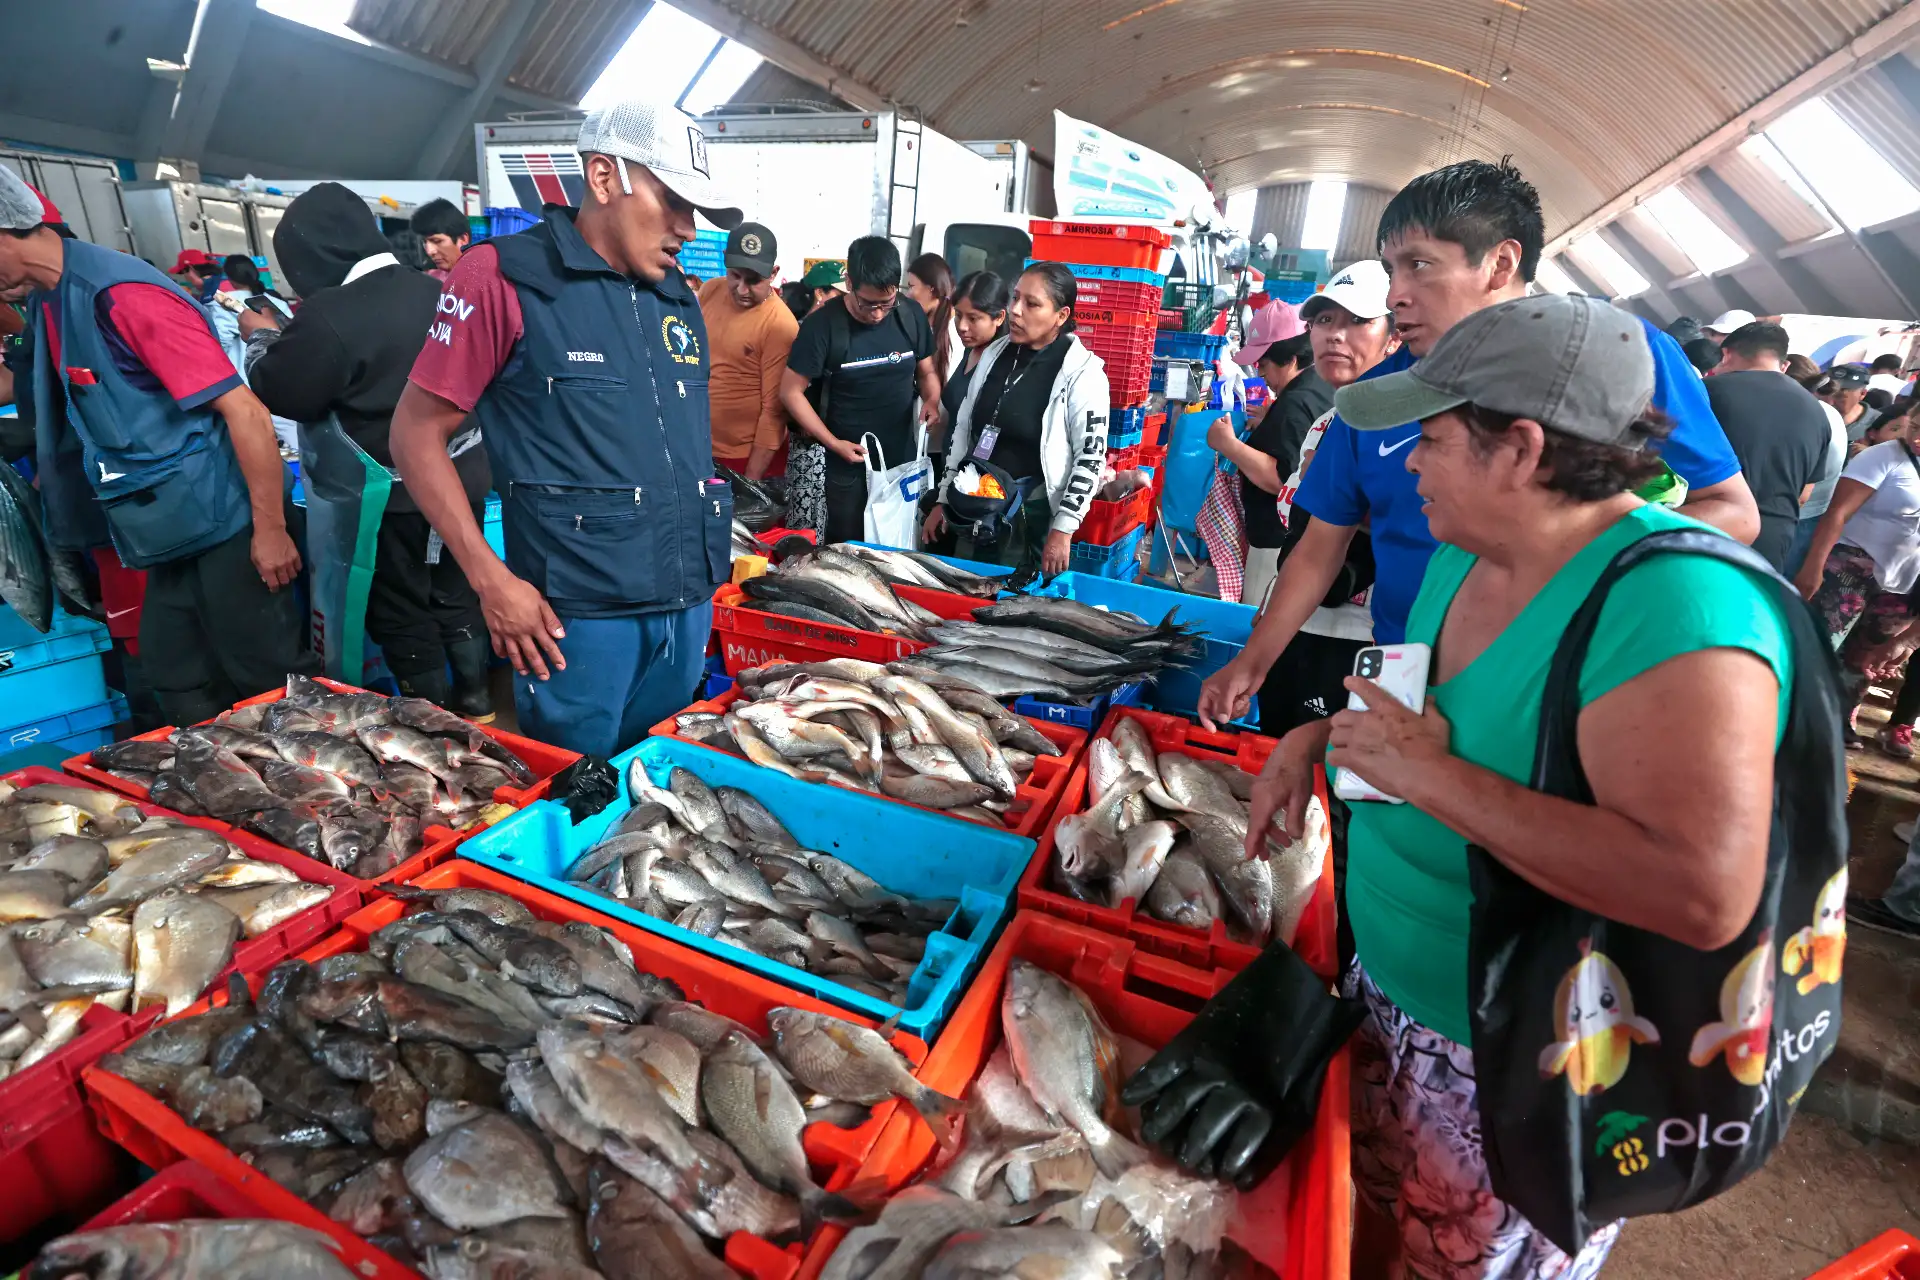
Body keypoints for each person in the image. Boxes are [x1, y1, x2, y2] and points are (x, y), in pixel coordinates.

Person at [1245, 294, 1794, 1278]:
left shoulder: (1676, 606)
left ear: (1520, 447)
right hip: (1392, 994)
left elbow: (1703, 890)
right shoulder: (1468, 552)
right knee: (1364, 1236)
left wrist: (1436, 776)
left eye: (1432, 438)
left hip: (1519, 1056)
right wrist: (1319, 733)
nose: (1408, 462)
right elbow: (1427, 720)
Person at [1198, 158, 1760, 730]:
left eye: (1419, 266)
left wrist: (1573, 576)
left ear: (1501, 263)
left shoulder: (1613, 359)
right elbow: (1320, 548)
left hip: (1549, 677)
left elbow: (1732, 512)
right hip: (1401, 668)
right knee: (1374, 811)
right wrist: (1254, 662)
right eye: (1392, 269)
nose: (1397, 295)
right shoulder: (1375, 400)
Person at [388, 98, 742, 759]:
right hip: (577, 619)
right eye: (673, 202)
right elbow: (414, 435)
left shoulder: (677, 298)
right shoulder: (502, 278)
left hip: (687, 605)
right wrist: (493, 582)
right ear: (605, 178)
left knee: (662, 787)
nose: (687, 229)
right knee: (577, 794)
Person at [0, 164, 316, 723]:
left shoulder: (123, 296)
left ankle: (316, 798)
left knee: (265, 680)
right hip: (165, 530)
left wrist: (270, 529)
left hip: (225, 524)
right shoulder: (51, 298)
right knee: (176, 678)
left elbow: (245, 412)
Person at [242, 182, 495, 719]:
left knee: (403, 609)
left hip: (396, 497)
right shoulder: (439, 291)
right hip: (467, 476)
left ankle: (436, 728)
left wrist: (260, 338)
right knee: (458, 589)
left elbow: (286, 390)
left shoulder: (331, 313)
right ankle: (479, 703)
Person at [1256, 258, 1399, 736]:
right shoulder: (1329, 421)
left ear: (1394, 337)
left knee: (1334, 776)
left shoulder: (1404, 432)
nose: (1335, 335)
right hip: (1301, 621)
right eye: (1324, 320)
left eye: (1358, 321)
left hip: (1360, 641)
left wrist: (1352, 509)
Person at [924, 262, 1110, 576]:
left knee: (1011, 607)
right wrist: (944, 499)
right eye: (1015, 298)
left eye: (1031, 304)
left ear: (1061, 316)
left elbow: (1090, 456)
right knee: (967, 597)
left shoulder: (1081, 373)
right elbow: (964, 429)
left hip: (1029, 518)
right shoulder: (996, 353)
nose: (1015, 311)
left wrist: (1063, 529)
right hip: (973, 509)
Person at [780, 236, 939, 545]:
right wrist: (833, 443)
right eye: (868, 304)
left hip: (901, 465)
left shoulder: (910, 316)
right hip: (847, 466)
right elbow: (790, 392)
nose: (878, 313)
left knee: (898, 549)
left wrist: (932, 398)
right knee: (850, 549)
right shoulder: (822, 326)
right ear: (849, 282)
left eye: (886, 303)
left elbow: (928, 370)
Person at [1794, 406, 1920, 755]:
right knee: (1821, 643)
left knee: (1869, 654)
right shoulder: (1884, 457)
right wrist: (1814, 565)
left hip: (1903, 577)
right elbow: (1838, 512)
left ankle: (1843, 714)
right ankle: (1795, 713)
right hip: (1851, 566)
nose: (1917, 437)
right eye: (1915, 426)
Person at [1206, 331, 1328, 607]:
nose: (1258, 371)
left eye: (1264, 363)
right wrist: (1270, 419)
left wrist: (1228, 446)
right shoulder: (1317, 385)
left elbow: (1283, 481)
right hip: (1301, 534)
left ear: (1292, 360)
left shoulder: (1294, 403)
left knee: (1257, 615)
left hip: (1276, 539)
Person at [1705, 321, 1831, 569]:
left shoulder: (1706, 392)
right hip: (1772, 541)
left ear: (1727, 353)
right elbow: (1804, 494)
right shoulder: (1817, 412)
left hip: (1706, 530)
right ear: (1783, 365)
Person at [698, 220, 797, 482]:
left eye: (753, 281)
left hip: (749, 459)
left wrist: (750, 484)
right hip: (699, 448)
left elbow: (774, 412)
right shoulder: (710, 290)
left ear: (773, 273)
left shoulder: (779, 325)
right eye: (735, 276)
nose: (741, 289)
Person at [939, 270, 1009, 434]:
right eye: (958, 315)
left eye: (973, 318)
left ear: (999, 317)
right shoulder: (970, 350)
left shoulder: (1005, 366)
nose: (962, 326)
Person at [905, 252, 957, 385]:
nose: (907, 295)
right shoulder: (925, 326)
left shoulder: (955, 331)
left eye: (911, 287)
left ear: (931, 289)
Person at [412, 198, 471, 279]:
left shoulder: (483, 281)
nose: (430, 251)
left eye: (437, 241)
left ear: (463, 239)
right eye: (424, 242)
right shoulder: (428, 280)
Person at [1817, 363, 1873, 442]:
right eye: (1825, 393)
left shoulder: (1879, 424)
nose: (1830, 402)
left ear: (1862, 393)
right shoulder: (1811, 415)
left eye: (1840, 397)